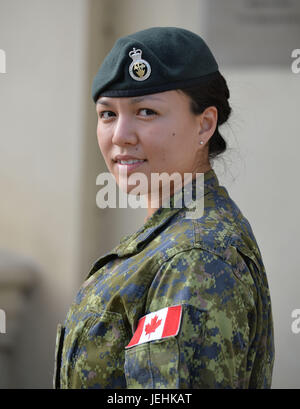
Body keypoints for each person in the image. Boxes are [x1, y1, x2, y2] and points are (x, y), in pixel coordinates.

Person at [53, 27, 274, 389]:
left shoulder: (193, 257)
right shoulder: (169, 236)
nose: (120, 135)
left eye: (146, 112)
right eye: (107, 114)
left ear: (204, 124)